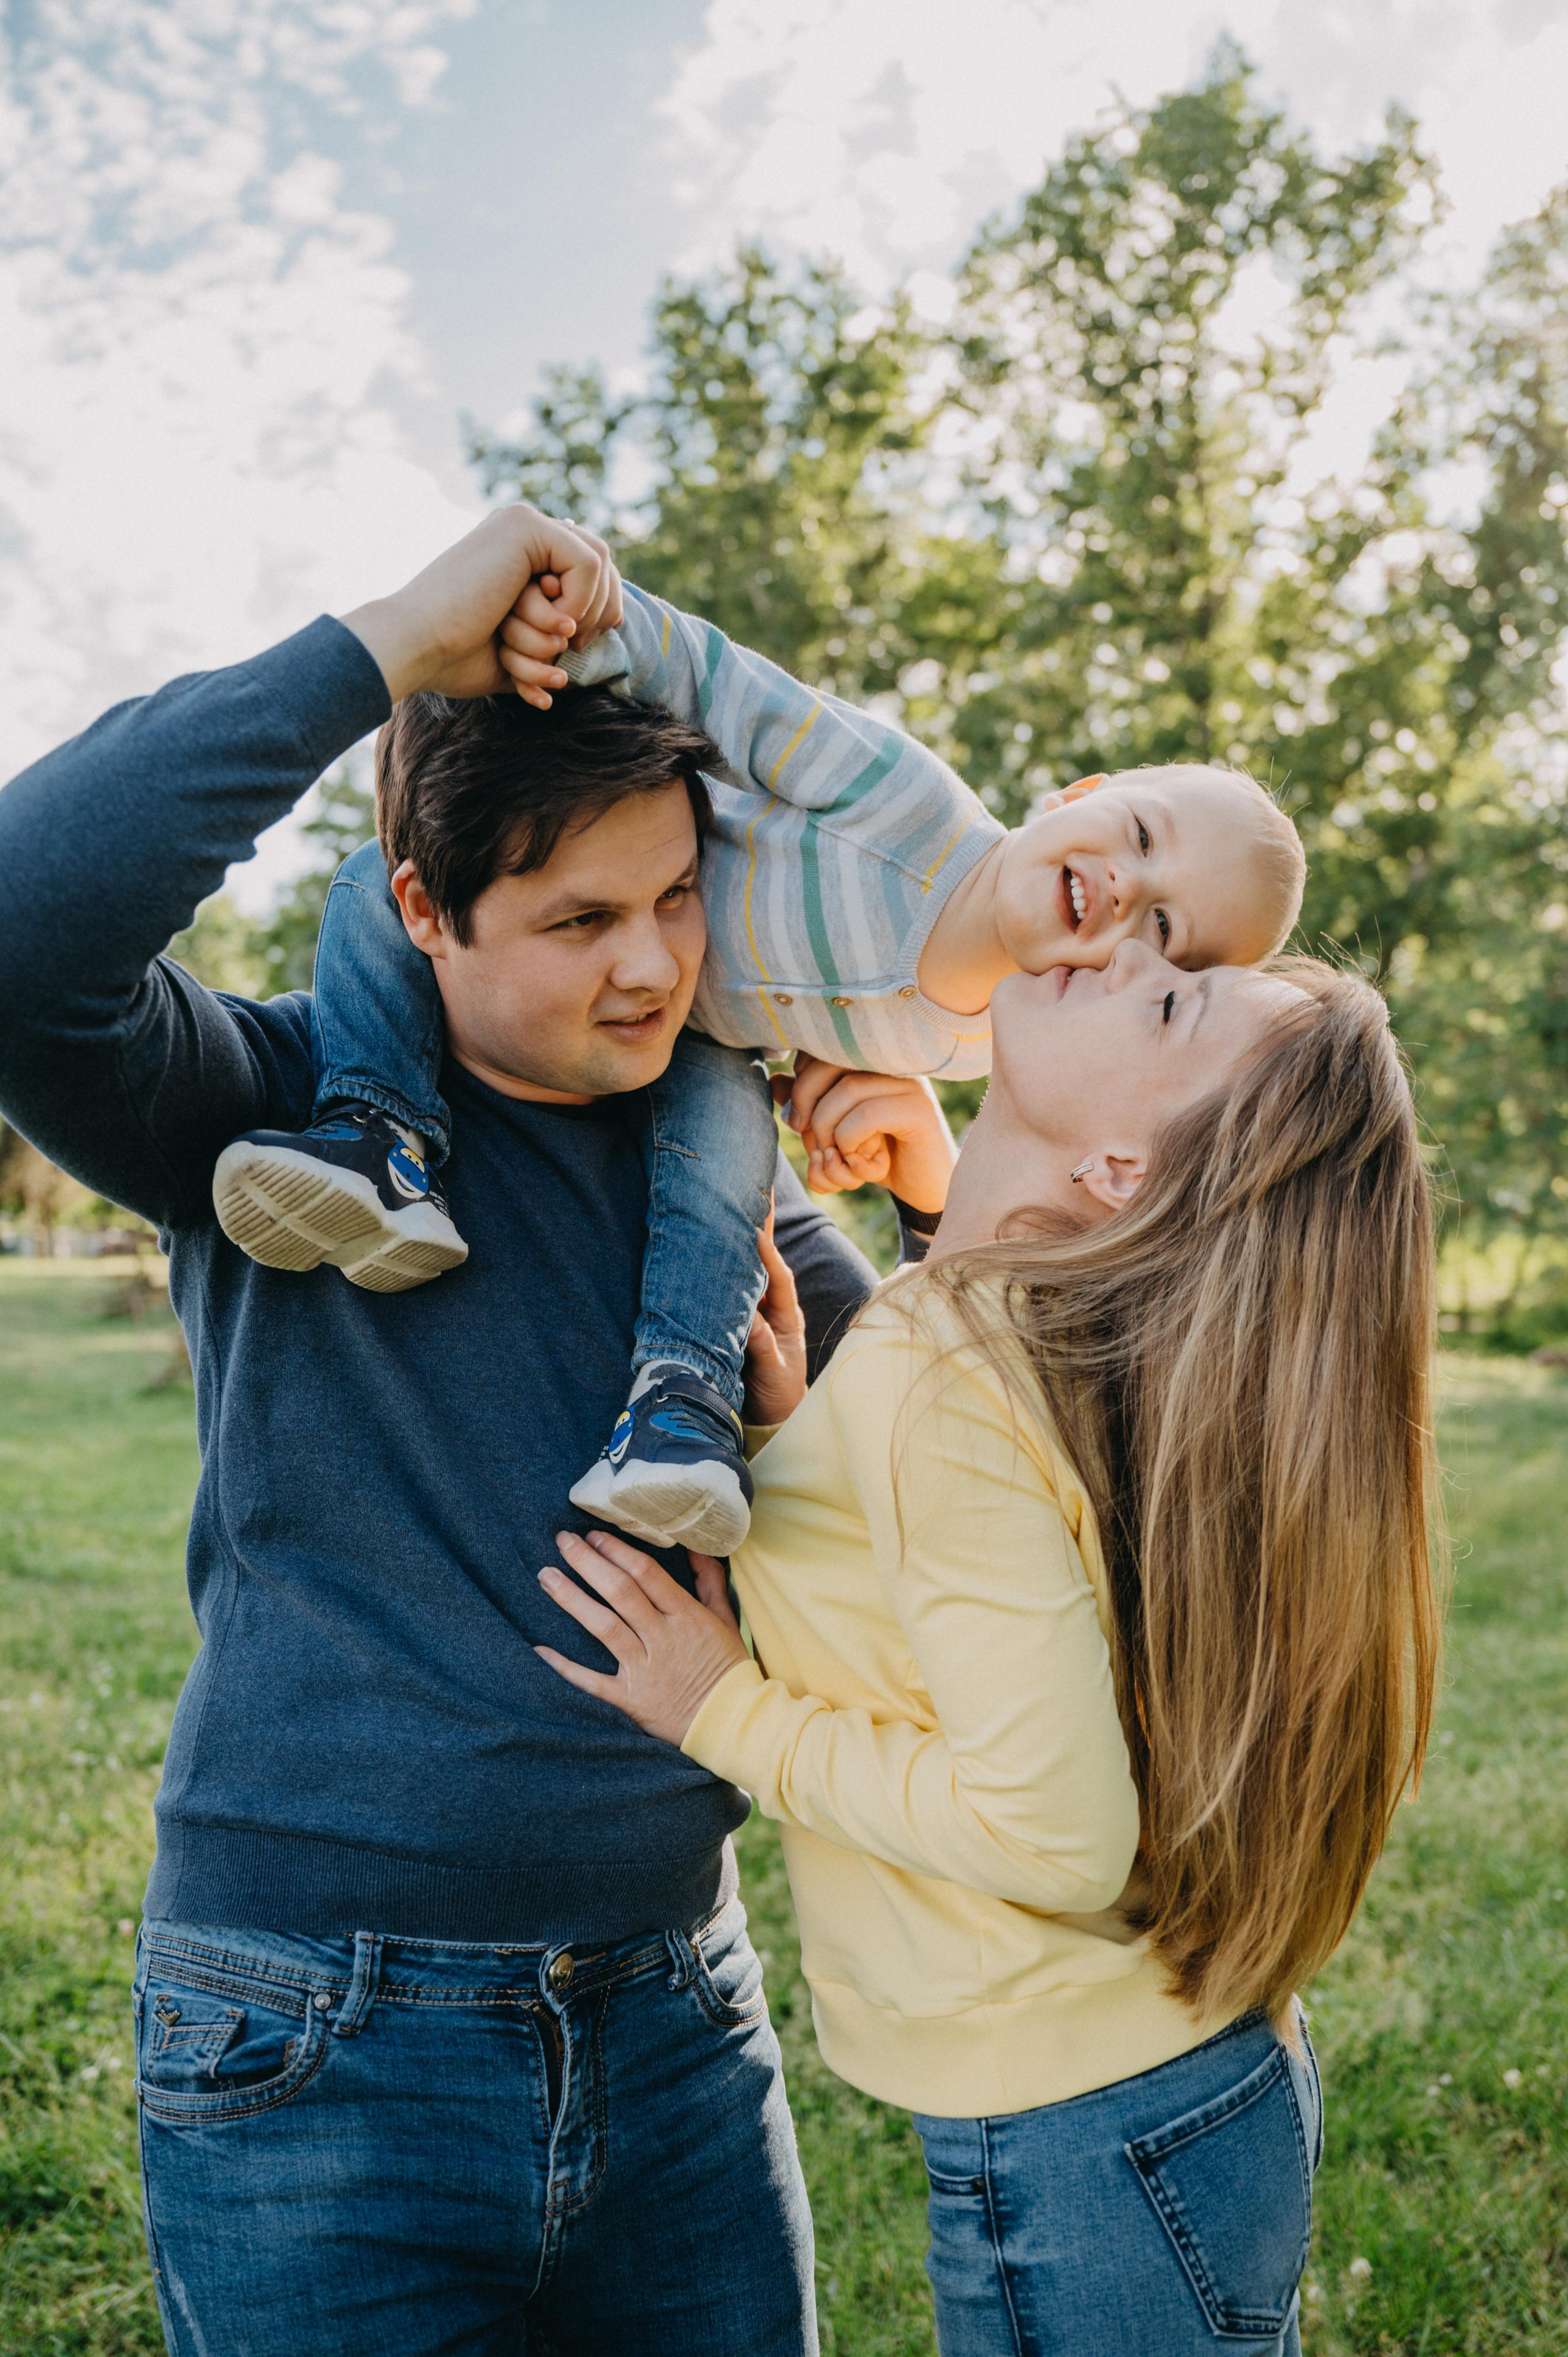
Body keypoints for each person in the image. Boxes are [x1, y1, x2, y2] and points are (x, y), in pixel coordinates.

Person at [0, 507, 894, 2357]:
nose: (652, 968)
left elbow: (974, 1474)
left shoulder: (720, 1180)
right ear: (423, 908)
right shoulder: (262, 1121)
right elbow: (26, 920)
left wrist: (814, 1423)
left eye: (673, 897)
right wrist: (401, 639)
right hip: (316, 2034)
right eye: (578, 919)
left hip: (678, 2015)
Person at [532, 939, 1444, 2357]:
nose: (1122, 948)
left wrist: (721, 1708)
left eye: (1166, 998)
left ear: (1126, 1174)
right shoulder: (996, 1330)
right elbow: (983, 1550)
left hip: (1087, 2128)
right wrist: (804, 1441)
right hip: (1157, 2090)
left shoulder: (955, 1364)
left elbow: (1050, 1829)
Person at [211, 557, 1306, 1555]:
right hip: (579, 830)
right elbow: (735, 692)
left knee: (725, 1164)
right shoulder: (909, 812)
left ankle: (680, 1407)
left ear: (1136, 977)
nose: (1129, 894)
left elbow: (958, 1427)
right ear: (1083, 797)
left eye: (1164, 933)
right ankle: (375, 1135)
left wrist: (936, 1188)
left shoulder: (983, 1038)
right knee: (369, 876)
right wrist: (595, 624)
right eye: (1144, 837)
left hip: (705, 1051)